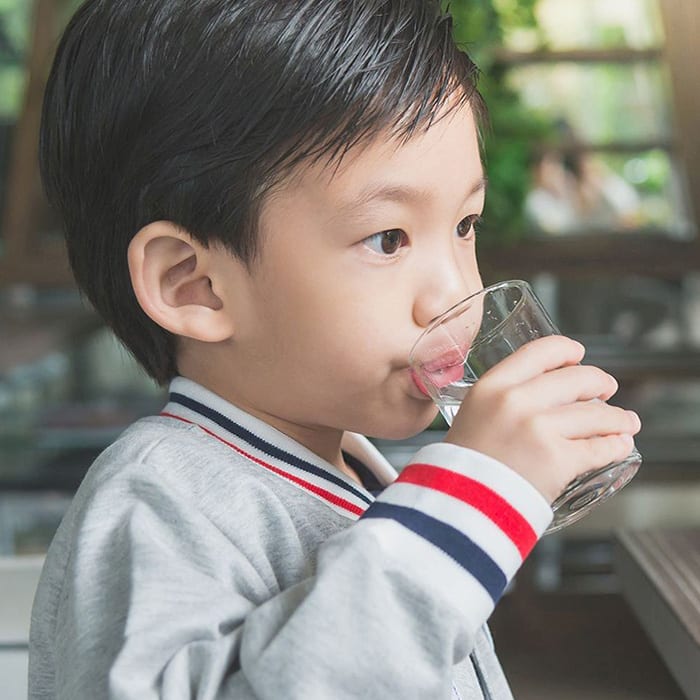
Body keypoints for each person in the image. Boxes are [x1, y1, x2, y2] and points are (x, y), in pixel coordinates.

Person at [29, 1, 641, 698]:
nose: (454, 291)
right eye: (388, 239)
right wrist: (473, 498)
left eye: (465, 225)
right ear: (194, 283)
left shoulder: (349, 465)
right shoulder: (158, 503)